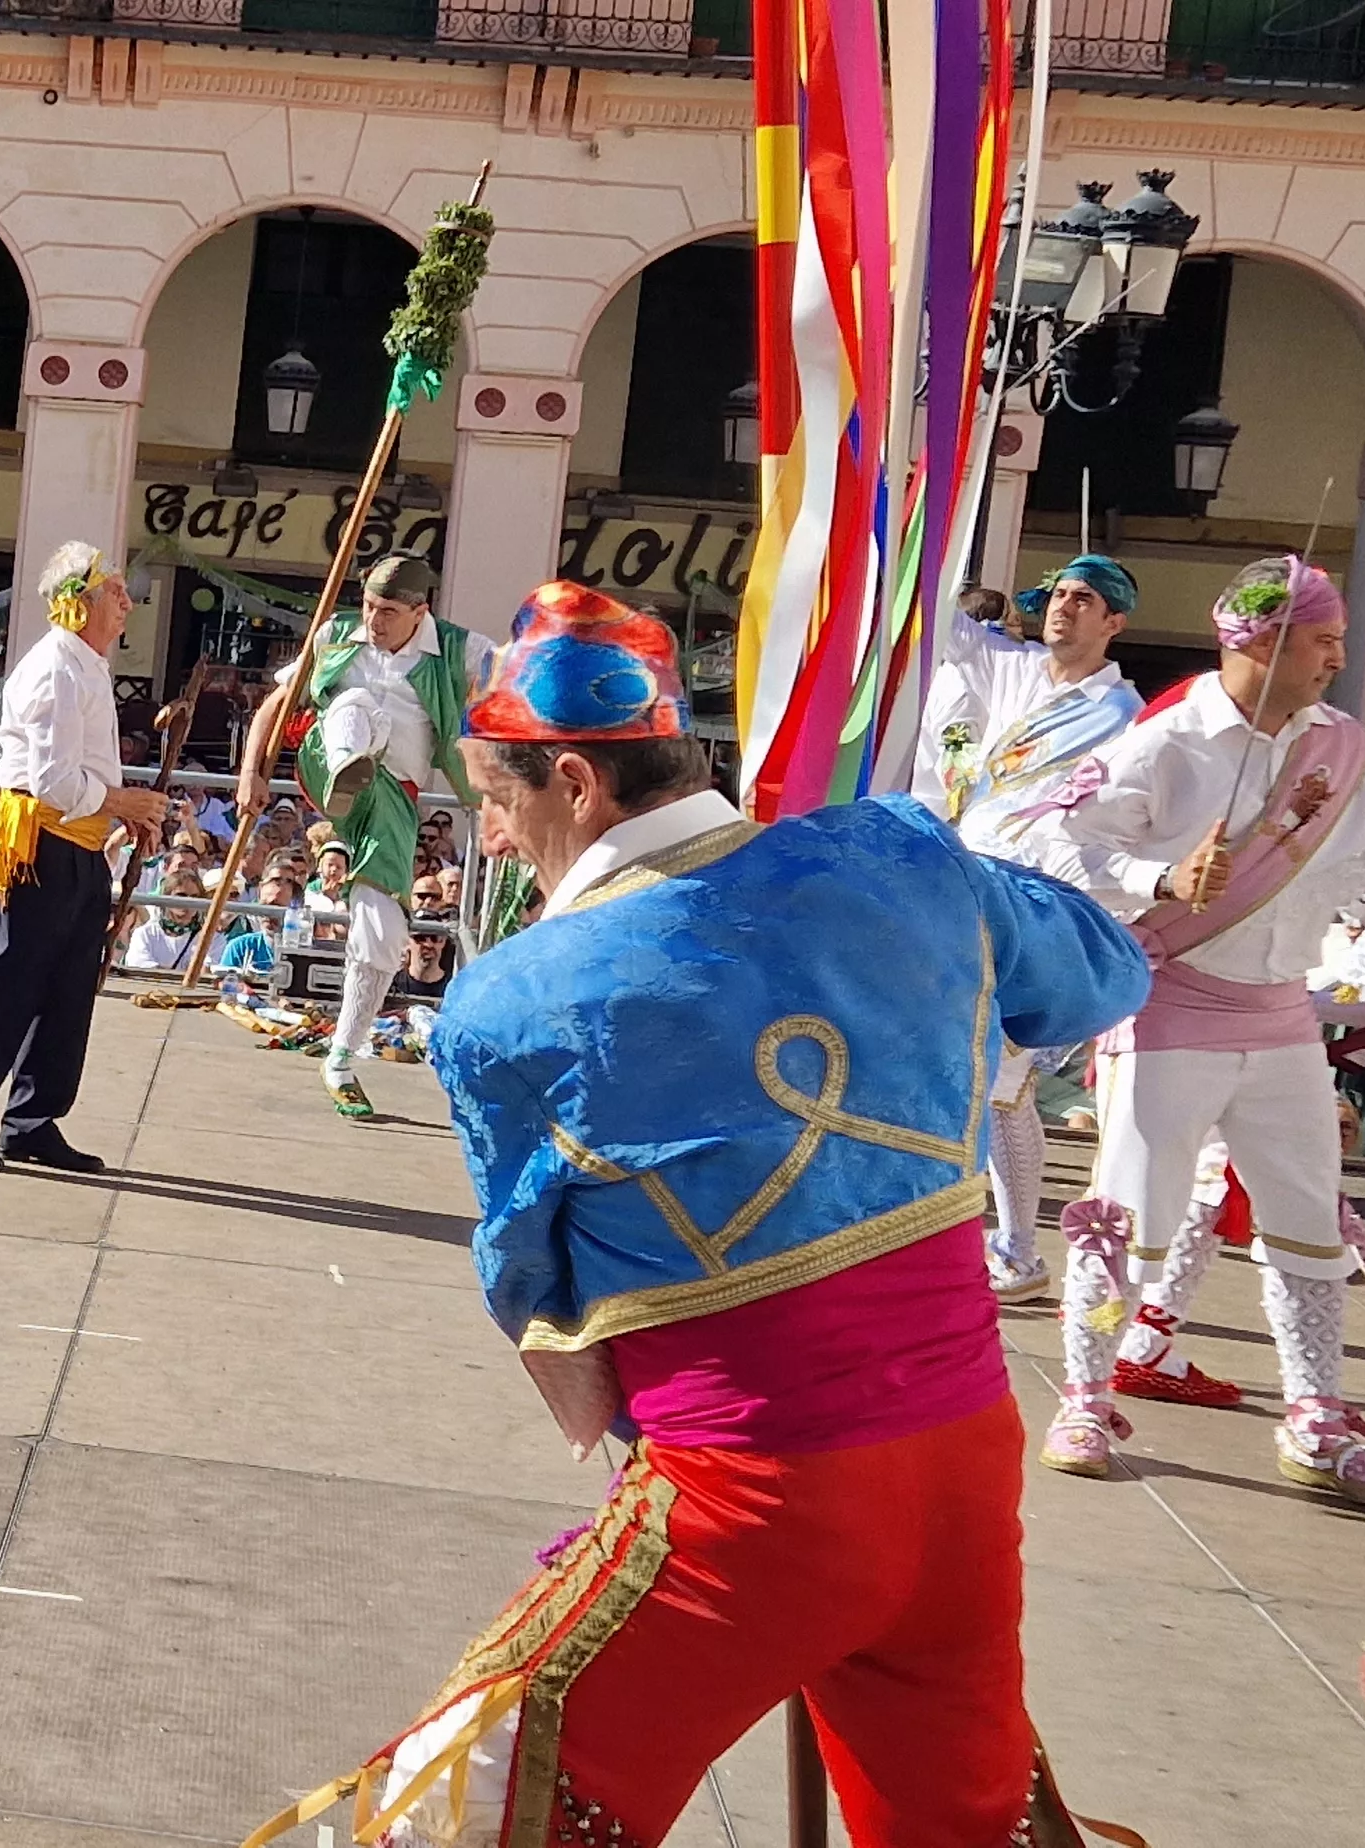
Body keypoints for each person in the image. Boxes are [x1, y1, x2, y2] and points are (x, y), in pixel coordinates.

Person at [312, 578, 1150, 1848]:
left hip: (757, 1503)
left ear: (575, 786)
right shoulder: (898, 852)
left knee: (456, 1818)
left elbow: (546, 1309)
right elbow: (1102, 973)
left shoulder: (511, 1002)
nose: (486, 838)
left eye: (493, 799)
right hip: (968, 1478)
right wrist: (926, 898)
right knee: (955, 1830)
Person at [1030, 555, 1365, 1497]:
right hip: (1175, 1008)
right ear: (1258, 641)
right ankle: (1087, 1393)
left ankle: (1315, 1414)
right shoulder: (1171, 739)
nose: (1337, 659)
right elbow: (1050, 839)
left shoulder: (1341, 745)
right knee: (1131, 1223)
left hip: (1285, 1017)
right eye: (1323, 641)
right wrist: (1160, 880)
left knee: (1307, 1226)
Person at [0, 542, 171, 1171]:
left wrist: (122, 813)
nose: (127, 601)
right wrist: (123, 803)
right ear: (78, 602)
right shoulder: (56, 667)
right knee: (11, 980)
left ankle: (32, 1120)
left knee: (69, 987)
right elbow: (51, 781)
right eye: (114, 590)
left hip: (77, 842)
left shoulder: (86, 665)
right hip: (43, 841)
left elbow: (82, 773)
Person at [928, 554, 1147, 1297]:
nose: (1065, 607)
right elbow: (941, 625)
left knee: (1005, 1080)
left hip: (1053, 911)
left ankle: (1018, 1249)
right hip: (973, 895)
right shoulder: (1013, 669)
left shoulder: (1124, 718)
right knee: (974, 1078)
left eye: (1084, 599)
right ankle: (989, 1243)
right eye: (1058, 595)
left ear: (1114, 622)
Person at [232, 552, 484, 1121]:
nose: (374, 619)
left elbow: (518, 671)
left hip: (395, 796)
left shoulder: (458, 648)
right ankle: (349, 766)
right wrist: (252, 771)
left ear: (421, 611)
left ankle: (342, 1057)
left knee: (380, 930)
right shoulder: (337, 633)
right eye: (370, 605)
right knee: (356, 703)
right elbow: (278, 703)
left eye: (389, 611)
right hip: (328, 761)